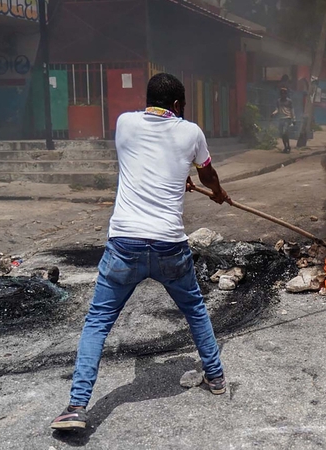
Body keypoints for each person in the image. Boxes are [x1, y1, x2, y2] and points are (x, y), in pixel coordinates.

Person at [50, 73, 231, 431]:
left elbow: (152, 158)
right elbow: (208, 176)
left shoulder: (125, 123)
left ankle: (76, 407)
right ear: (177, 104)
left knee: (97, 322)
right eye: (183, 105)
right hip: (169, 246)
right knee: (195, 310)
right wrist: (218, 193)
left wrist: (177, 177)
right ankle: (215, 377)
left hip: (125, 245)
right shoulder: (191, 132)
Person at [271, 87, 295, 153]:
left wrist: (294, 119)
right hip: (281, 119)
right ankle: (286, 147)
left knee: (285, 133)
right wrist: (273, 113)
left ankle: (288, 146)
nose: (283, 95)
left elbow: (292, 110)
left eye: (284, 93)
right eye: (282, 94)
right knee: (282, 134)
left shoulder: (289, 101)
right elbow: (277, 110)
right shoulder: (278, 101)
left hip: (287, 118)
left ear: (286, 94)